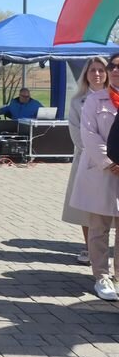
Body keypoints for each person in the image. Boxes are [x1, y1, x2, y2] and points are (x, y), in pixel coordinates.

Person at [70, 53, 119, 301]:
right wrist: (110, 162)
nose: (116, 71)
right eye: (114, 66)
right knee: (99, 227)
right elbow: (88, 134)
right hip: (103, 171)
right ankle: (101, 275)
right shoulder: (94, 100)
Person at [64, 58, 109, 266]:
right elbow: (77, 135)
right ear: (86, 74)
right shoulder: (77, 102)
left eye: (101, 70)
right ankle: (90, 250)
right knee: (86, 210)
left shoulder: (114, 98)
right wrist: (99, 156)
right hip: (86, 161)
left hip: (113, 164)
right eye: (93, 70)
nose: (97, 74)